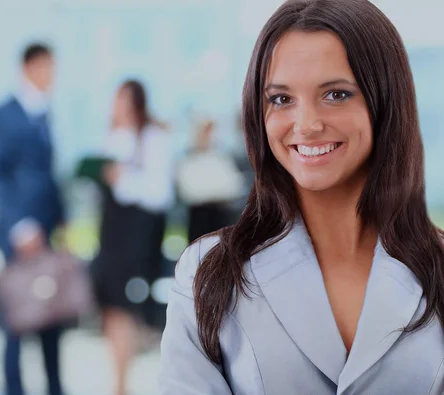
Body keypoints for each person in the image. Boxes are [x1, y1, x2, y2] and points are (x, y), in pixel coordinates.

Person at [159, 0, 444, 394]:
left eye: (336, 95)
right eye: (281, 99)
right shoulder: (208, 272)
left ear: (386, 103)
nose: (307, 125)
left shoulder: (439, 269)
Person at [0, 43, 66, 395]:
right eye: (47, 67)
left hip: (46, 233)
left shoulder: (44, 114)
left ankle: (54, 386)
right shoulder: (2, 116)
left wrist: (61, 219)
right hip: (18, 235)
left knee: (51, 316)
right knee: (15, 317)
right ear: (30, 67)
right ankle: (13, 388)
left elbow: (47, 175)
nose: (52, 75)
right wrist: (21, 225)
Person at [91, 79, 173, 395]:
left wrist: (124, 179)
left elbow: (159, 193)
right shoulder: (111, 137)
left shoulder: (153, 138)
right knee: (110, 305)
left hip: (136, 234)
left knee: (127, 305)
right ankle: (119, 380)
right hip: (110, 231)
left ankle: (123, 381)